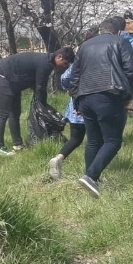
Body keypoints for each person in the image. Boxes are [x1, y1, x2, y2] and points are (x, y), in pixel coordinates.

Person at [71, 17, 133, 197]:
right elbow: (130, 70)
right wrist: (127, 96)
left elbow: (75, 75)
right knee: (113, 141)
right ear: (118, 30)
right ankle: (91, 176)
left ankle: (92, 181)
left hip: (85, 97)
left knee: (93, 141)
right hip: (109, 95)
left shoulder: (84, 46)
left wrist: (76, 100)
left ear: (101, 29)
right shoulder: (121, 42)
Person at [0, 48, 74, 155]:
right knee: (3, 114)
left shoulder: (47, 61)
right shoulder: (46, 64)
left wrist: (41, 104)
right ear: (59, 57)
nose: (65, 67)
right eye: (64, 63)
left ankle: (18, 144)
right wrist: (42, 106)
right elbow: (40, 86)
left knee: (15, 113)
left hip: (14, 82)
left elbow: (36, 83)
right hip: (3, 78)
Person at [48, 28, 98, 179]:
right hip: (91, 105)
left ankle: (58, 159)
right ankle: (91, 174)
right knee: (95, 141)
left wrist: (71, 89)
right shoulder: (95, 60)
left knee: (76, 139)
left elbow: (64, 79)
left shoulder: (78, 61)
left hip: (75, 107)